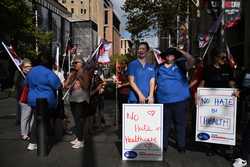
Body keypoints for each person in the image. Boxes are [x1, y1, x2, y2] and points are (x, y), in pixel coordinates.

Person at [156, 47, 195, 154]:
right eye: (167, 54)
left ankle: (181, 145)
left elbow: (191, 60)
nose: (170, 56)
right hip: (163, 101)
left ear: (175, 56)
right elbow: (152, 81)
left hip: (180, 101)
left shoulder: (181, 65)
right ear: (164, 57)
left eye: (172, 54)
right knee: (165, 125)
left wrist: (180, 50)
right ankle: (164, 145)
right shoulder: (158, 68)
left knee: (180, 124)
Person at [200, 49, 238, 156]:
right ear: (215, 58)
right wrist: (198, 94)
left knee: (225, 123)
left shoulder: (227, 68)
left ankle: (226, 146)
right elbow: (202, 83)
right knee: (213, 124)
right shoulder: (207, 69)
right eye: (222, 57)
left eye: (225, 57)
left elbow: (231, 82)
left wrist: (235, 90)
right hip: (211, 103)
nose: (224, 59)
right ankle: (213, 147)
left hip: (225, 103)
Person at [26, 55, 61, 151]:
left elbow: (26, 83)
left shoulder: (31, 71)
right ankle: (42, 140)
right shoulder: (48, 72)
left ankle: (33, 142)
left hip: (33, 99)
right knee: (44, 121)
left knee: (36, 120)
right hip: (46, 100)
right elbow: (57, 85)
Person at [64, 56, 90, 149]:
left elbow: (86, 86)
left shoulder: (84, 72)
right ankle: (78, 137)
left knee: (79, 119)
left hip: (81, 99)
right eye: (74, 63)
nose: (74, 64)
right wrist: (69, 81)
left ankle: (80, 140)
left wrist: (80, 80)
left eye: (76, 62)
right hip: (73, 99)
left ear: (81, 63)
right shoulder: (73, 73)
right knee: (76, 119)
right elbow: (66, 86)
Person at [19, 58, 33, 140]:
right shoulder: (21, 76)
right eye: (26, 66)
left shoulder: (30, 75)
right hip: (24, 100)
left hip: (30, 100)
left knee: (30, 117)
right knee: (25, 117)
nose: (28, 68)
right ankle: (23, 134)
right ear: (23, 67)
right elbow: (21, 86)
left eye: (30, 66)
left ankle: (28, 133)